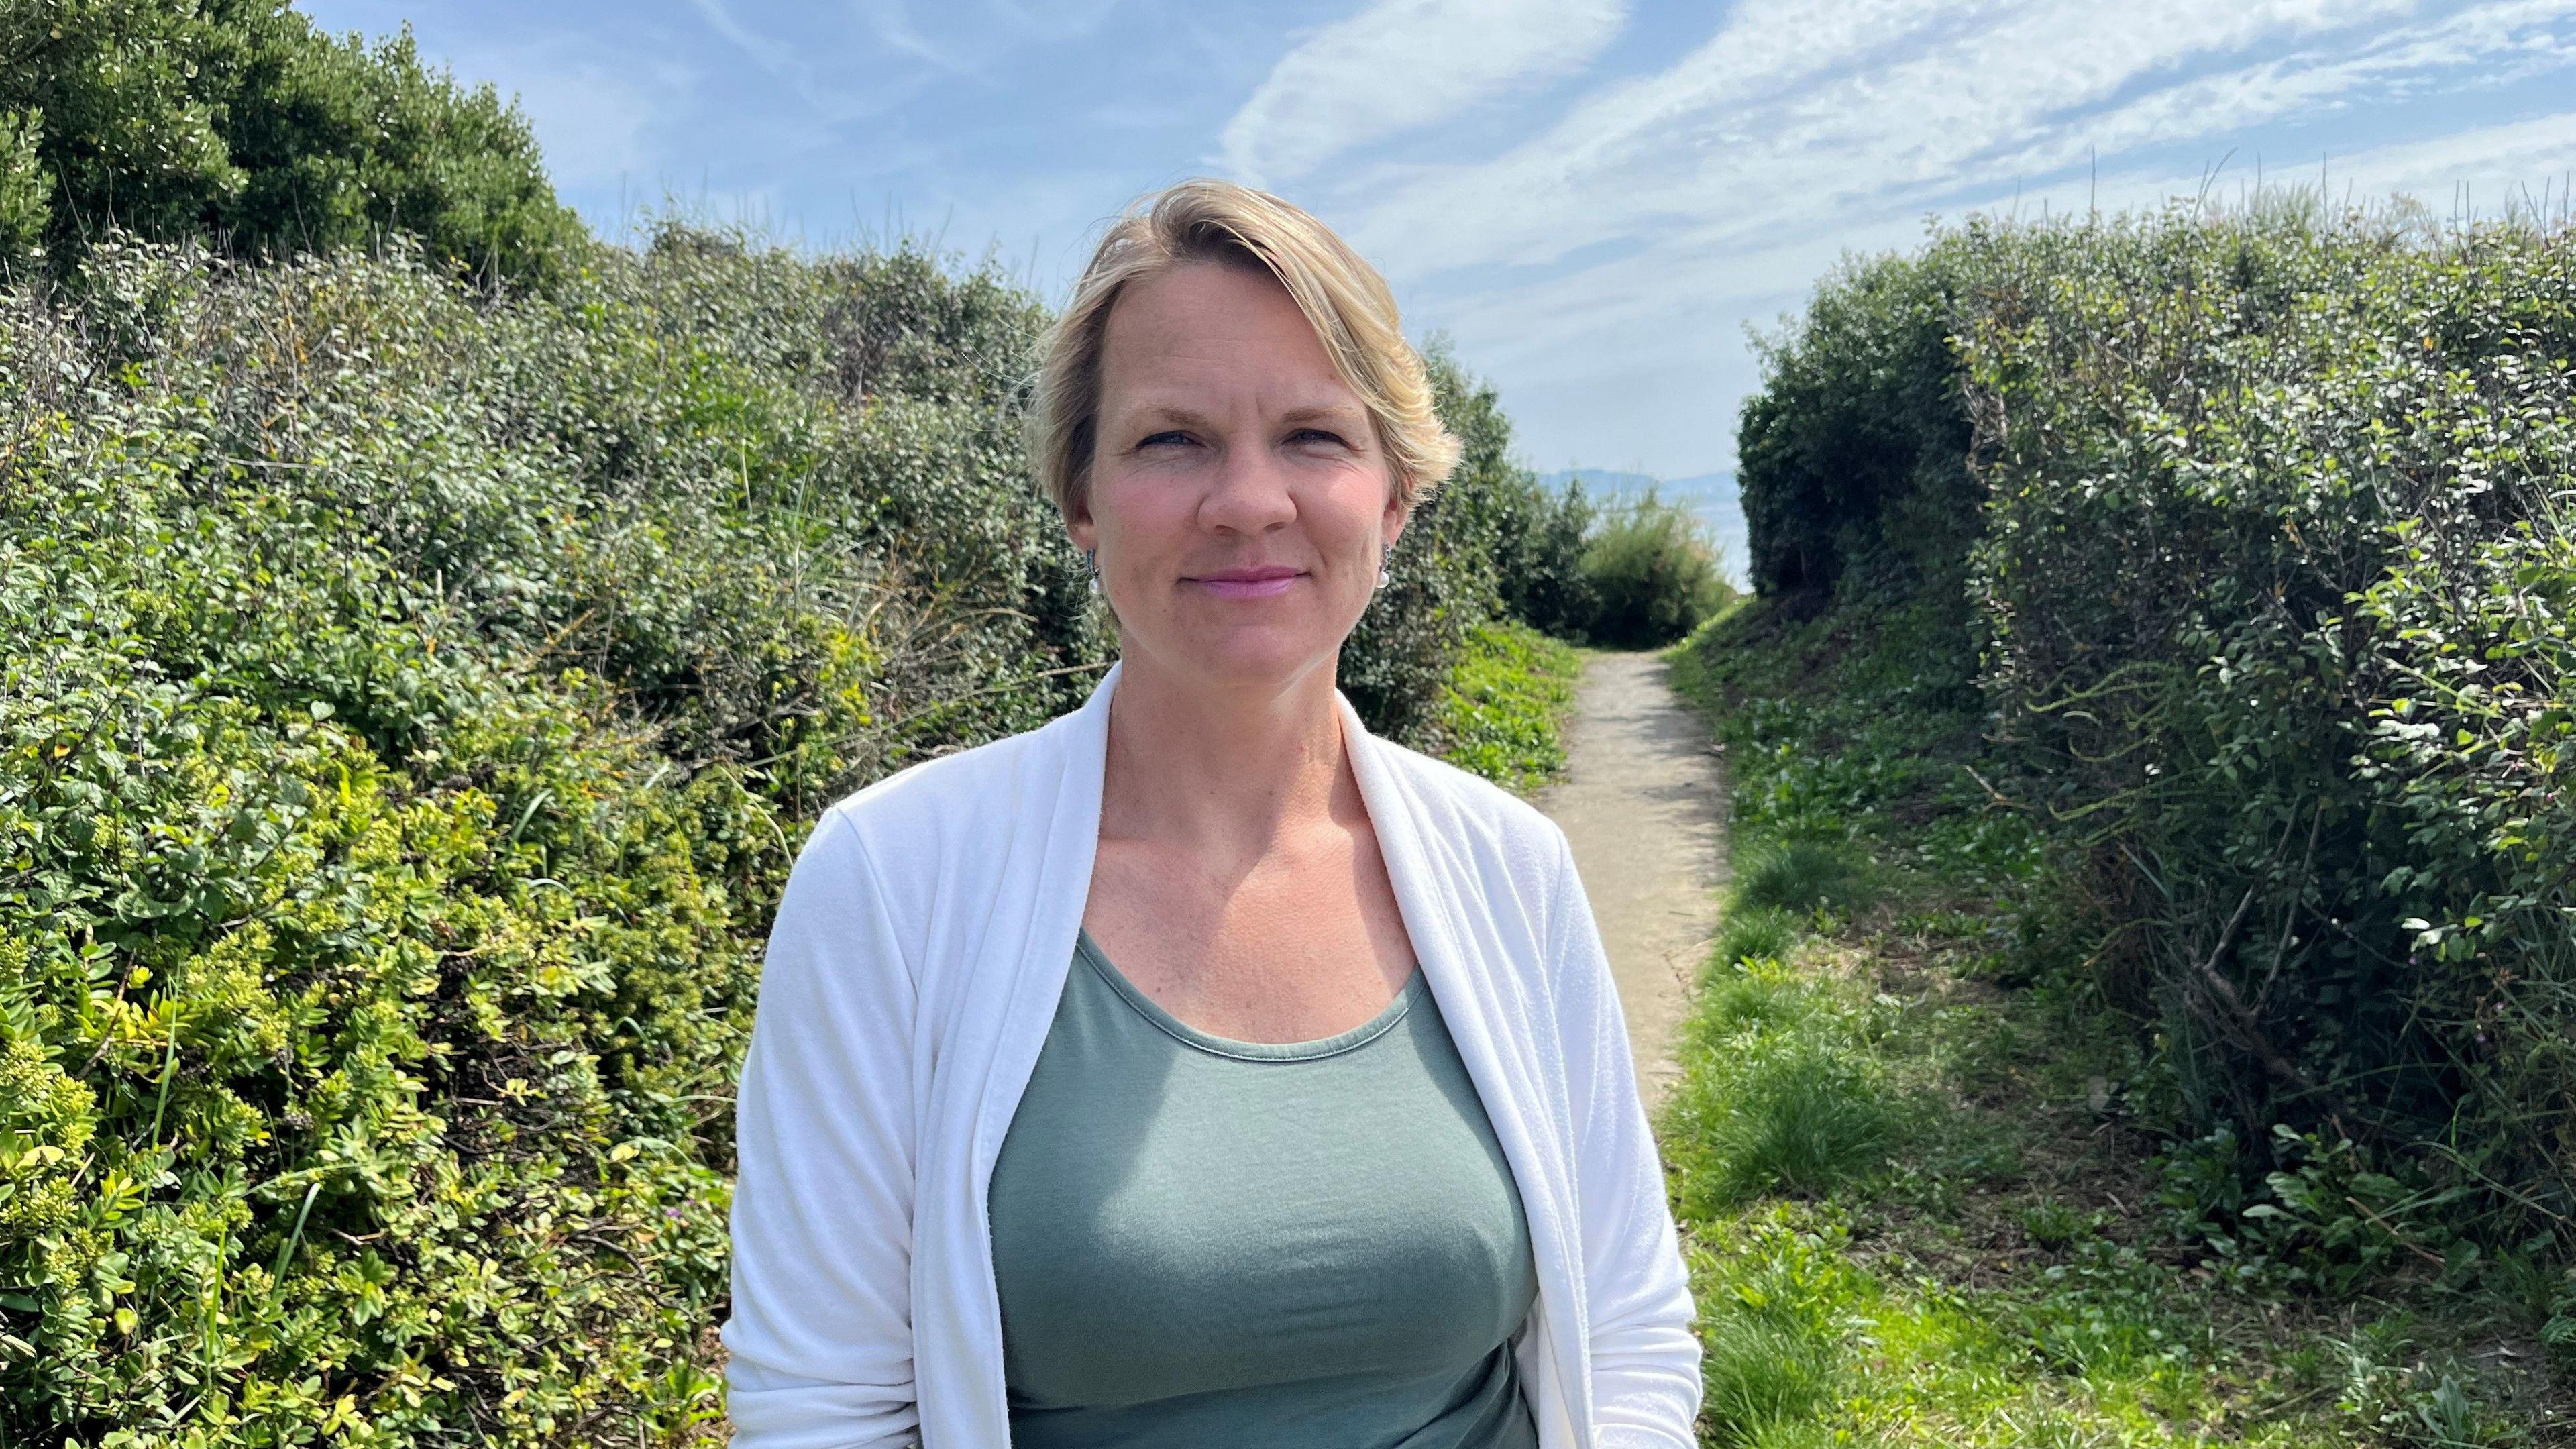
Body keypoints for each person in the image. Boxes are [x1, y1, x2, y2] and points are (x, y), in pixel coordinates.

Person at [720, 178, 1701, 1448]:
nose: (1247, 501)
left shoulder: (1511, 868)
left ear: (1394, 498)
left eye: (1313, 436)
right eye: (1172, 439)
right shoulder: (893, 883)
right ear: (1082, 499)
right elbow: (823, 1414)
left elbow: (1626, 1330)